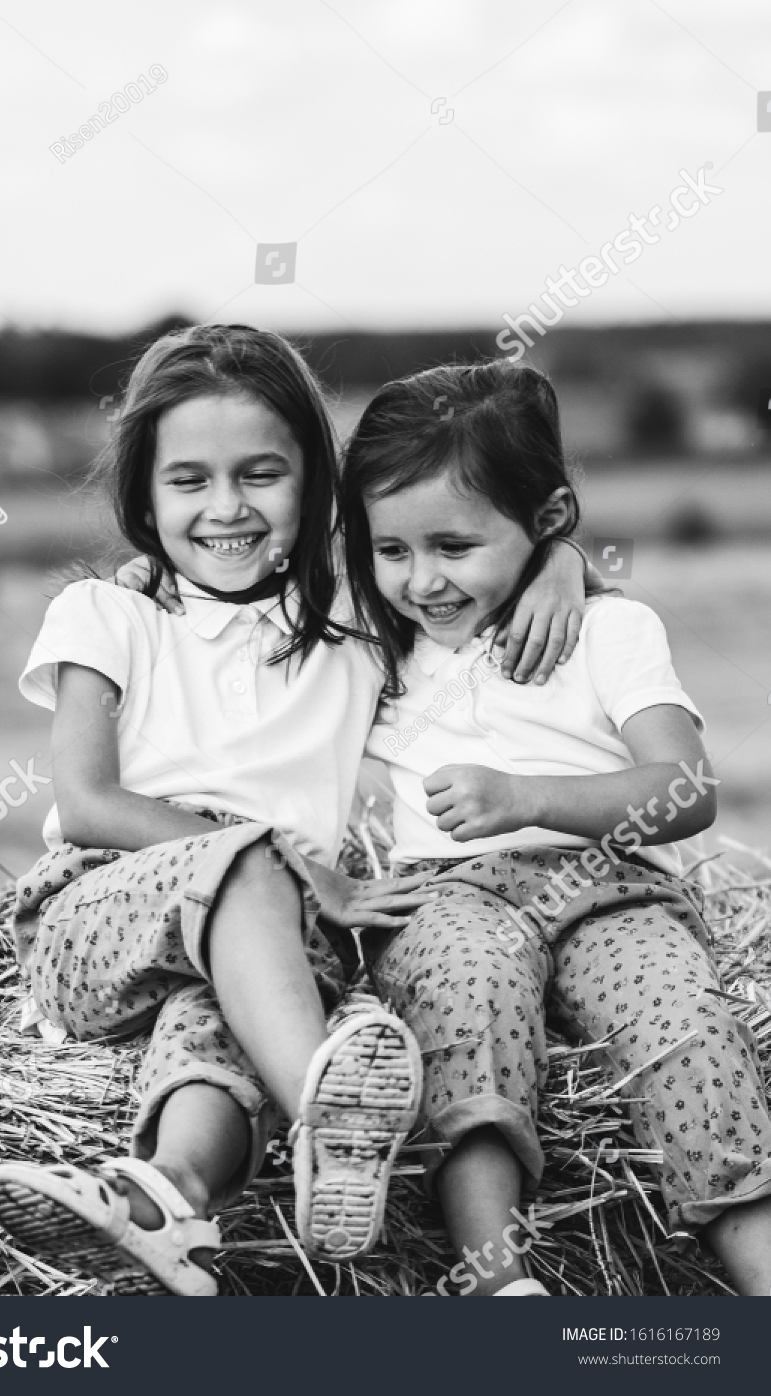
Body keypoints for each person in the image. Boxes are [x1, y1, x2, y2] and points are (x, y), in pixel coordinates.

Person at [0, 324, 590, 1296]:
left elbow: (477, 546)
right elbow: (89, 802)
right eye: (188, 481)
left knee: (211, 1029)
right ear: (142, 491)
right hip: (101, 913)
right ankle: (333, 1108)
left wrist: (557, 556)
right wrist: (267, 850)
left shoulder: (354, 626)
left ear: (313, 481)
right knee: (250, 881)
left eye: (260, 474)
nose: (225, 507)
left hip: (287, 932)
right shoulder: (107, 614)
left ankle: (169, 1194)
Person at [339, 358, 771, 1297]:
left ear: (547, 520)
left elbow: (684, 790)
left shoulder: (609, 633)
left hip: (613, 890)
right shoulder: (368, 651)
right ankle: (498, 1284)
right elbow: (229, 614)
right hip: (449, 898)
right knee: (466, 1001)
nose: (422, 580)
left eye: (454, 546)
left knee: (685, 1025)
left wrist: (528, 797)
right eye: (392, 549)